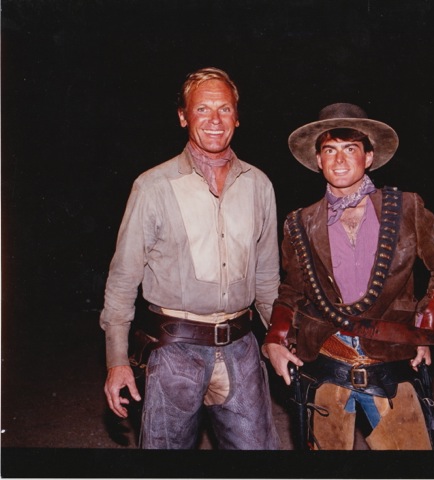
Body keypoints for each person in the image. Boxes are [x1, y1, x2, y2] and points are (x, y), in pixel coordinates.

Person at [262, 103, 434, 450]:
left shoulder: (407, 207)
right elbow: (291, 291)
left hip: (391, 360)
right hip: (325, 360)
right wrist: (275, 340)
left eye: (351, 149)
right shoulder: (298, 223)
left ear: (369, 157)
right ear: (318, 160)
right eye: (330, 150)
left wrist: (425, 327)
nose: (340, 160)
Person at [100, 67, 281, 450]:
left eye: (224, 109)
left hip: (242, 348)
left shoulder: (259, 185)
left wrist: (279, 339)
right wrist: (117, 361)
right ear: (183, 116)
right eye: (202, 110)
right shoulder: (153, 186)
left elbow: (267, 280)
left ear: (237, 116)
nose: (215, 120)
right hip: (173, 352)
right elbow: (122, 279)